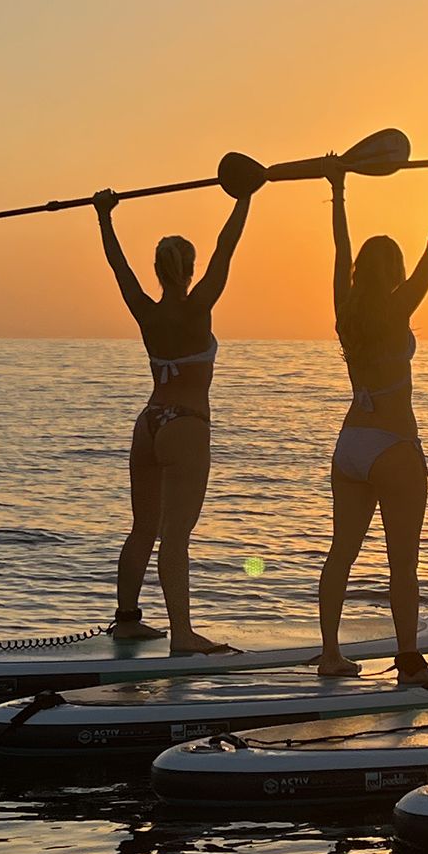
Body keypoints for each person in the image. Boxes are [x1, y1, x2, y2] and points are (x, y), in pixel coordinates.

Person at [315, 146, 428, 685]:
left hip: (350, 443)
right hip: (395, 446)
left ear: (360, 272)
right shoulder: (399, 307)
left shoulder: (345, 309)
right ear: (394, 273)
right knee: (403, 564)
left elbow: (339, 248)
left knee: (341, 554)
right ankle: (408, 662)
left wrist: (337, 187)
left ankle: (330, 654)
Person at [92, 170, 256, 655]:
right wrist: (244, 200)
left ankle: (127, 620)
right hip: (185, 426)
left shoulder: (146, 310)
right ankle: (182, 634)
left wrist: (104, 217)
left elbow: (118, 267)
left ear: (160, 272)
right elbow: (228, 249)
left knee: (143, 527)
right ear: (188, 271)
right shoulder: (198, 306)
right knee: (176, 535)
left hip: (148, 424)